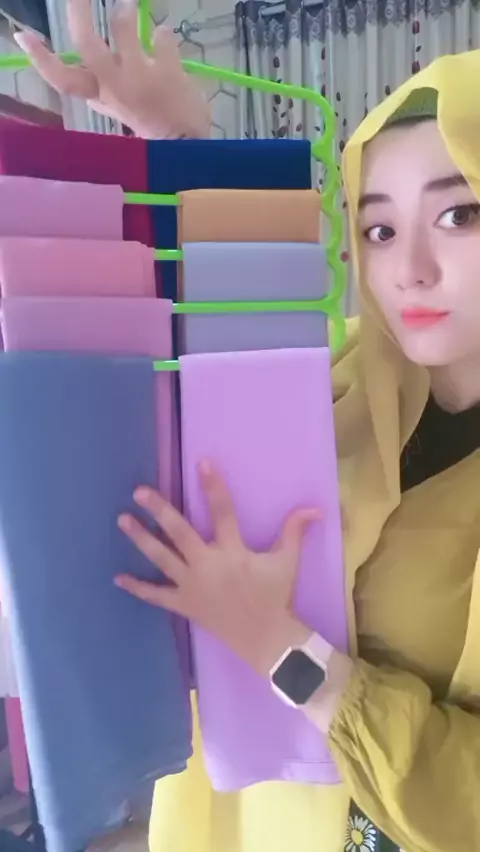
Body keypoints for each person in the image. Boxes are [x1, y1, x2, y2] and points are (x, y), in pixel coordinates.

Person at [16, 3, 480, 851]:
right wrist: (181, 141)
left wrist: (282, 648)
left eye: (460, 215)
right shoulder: (344, 379)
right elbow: (236, 349)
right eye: (379, 228)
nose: (409, 269)